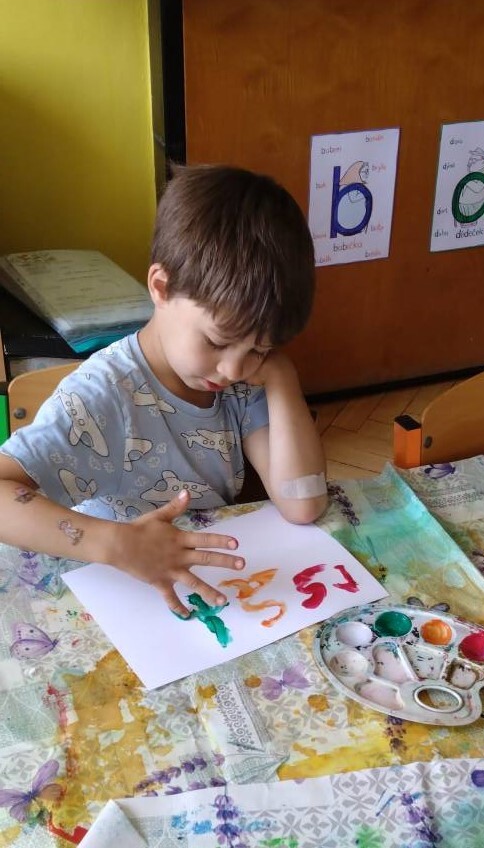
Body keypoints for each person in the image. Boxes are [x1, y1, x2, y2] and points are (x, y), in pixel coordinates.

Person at [0, 164, 328, 615]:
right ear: (161, 286)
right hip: (117, 596)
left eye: (260, 348)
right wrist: (117, 544)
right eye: (216, 341)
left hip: (202, 591)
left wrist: (281, 375)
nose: (233, 368)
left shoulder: (243, 379)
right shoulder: (102, 396)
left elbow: (303, 503)